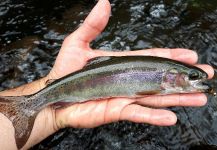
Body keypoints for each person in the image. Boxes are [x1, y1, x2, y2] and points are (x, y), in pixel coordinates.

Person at [0, 0, 214, 149]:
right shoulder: (157, 84)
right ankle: (27, 105)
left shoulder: (163, 82)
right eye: (192, 77)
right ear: (171, 76)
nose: (196, 81)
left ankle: (28, 104)